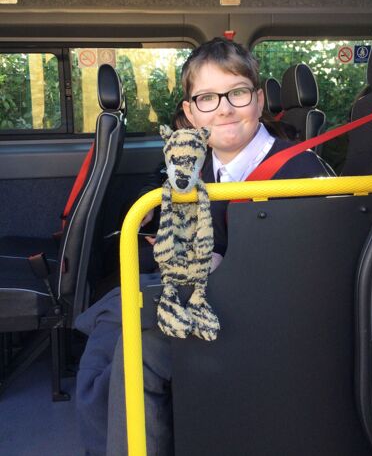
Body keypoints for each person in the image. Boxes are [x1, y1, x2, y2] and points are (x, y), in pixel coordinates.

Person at [100, 37, 330, 456]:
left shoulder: (299, 173)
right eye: (206, 98)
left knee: (140, 348)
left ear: (258, 101)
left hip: (271, 326)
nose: (223, 109)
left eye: (237, 93)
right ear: (190, 113)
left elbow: (301, 284)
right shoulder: (204, 165)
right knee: (116, 317)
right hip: (222, 299)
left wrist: (215, 268)